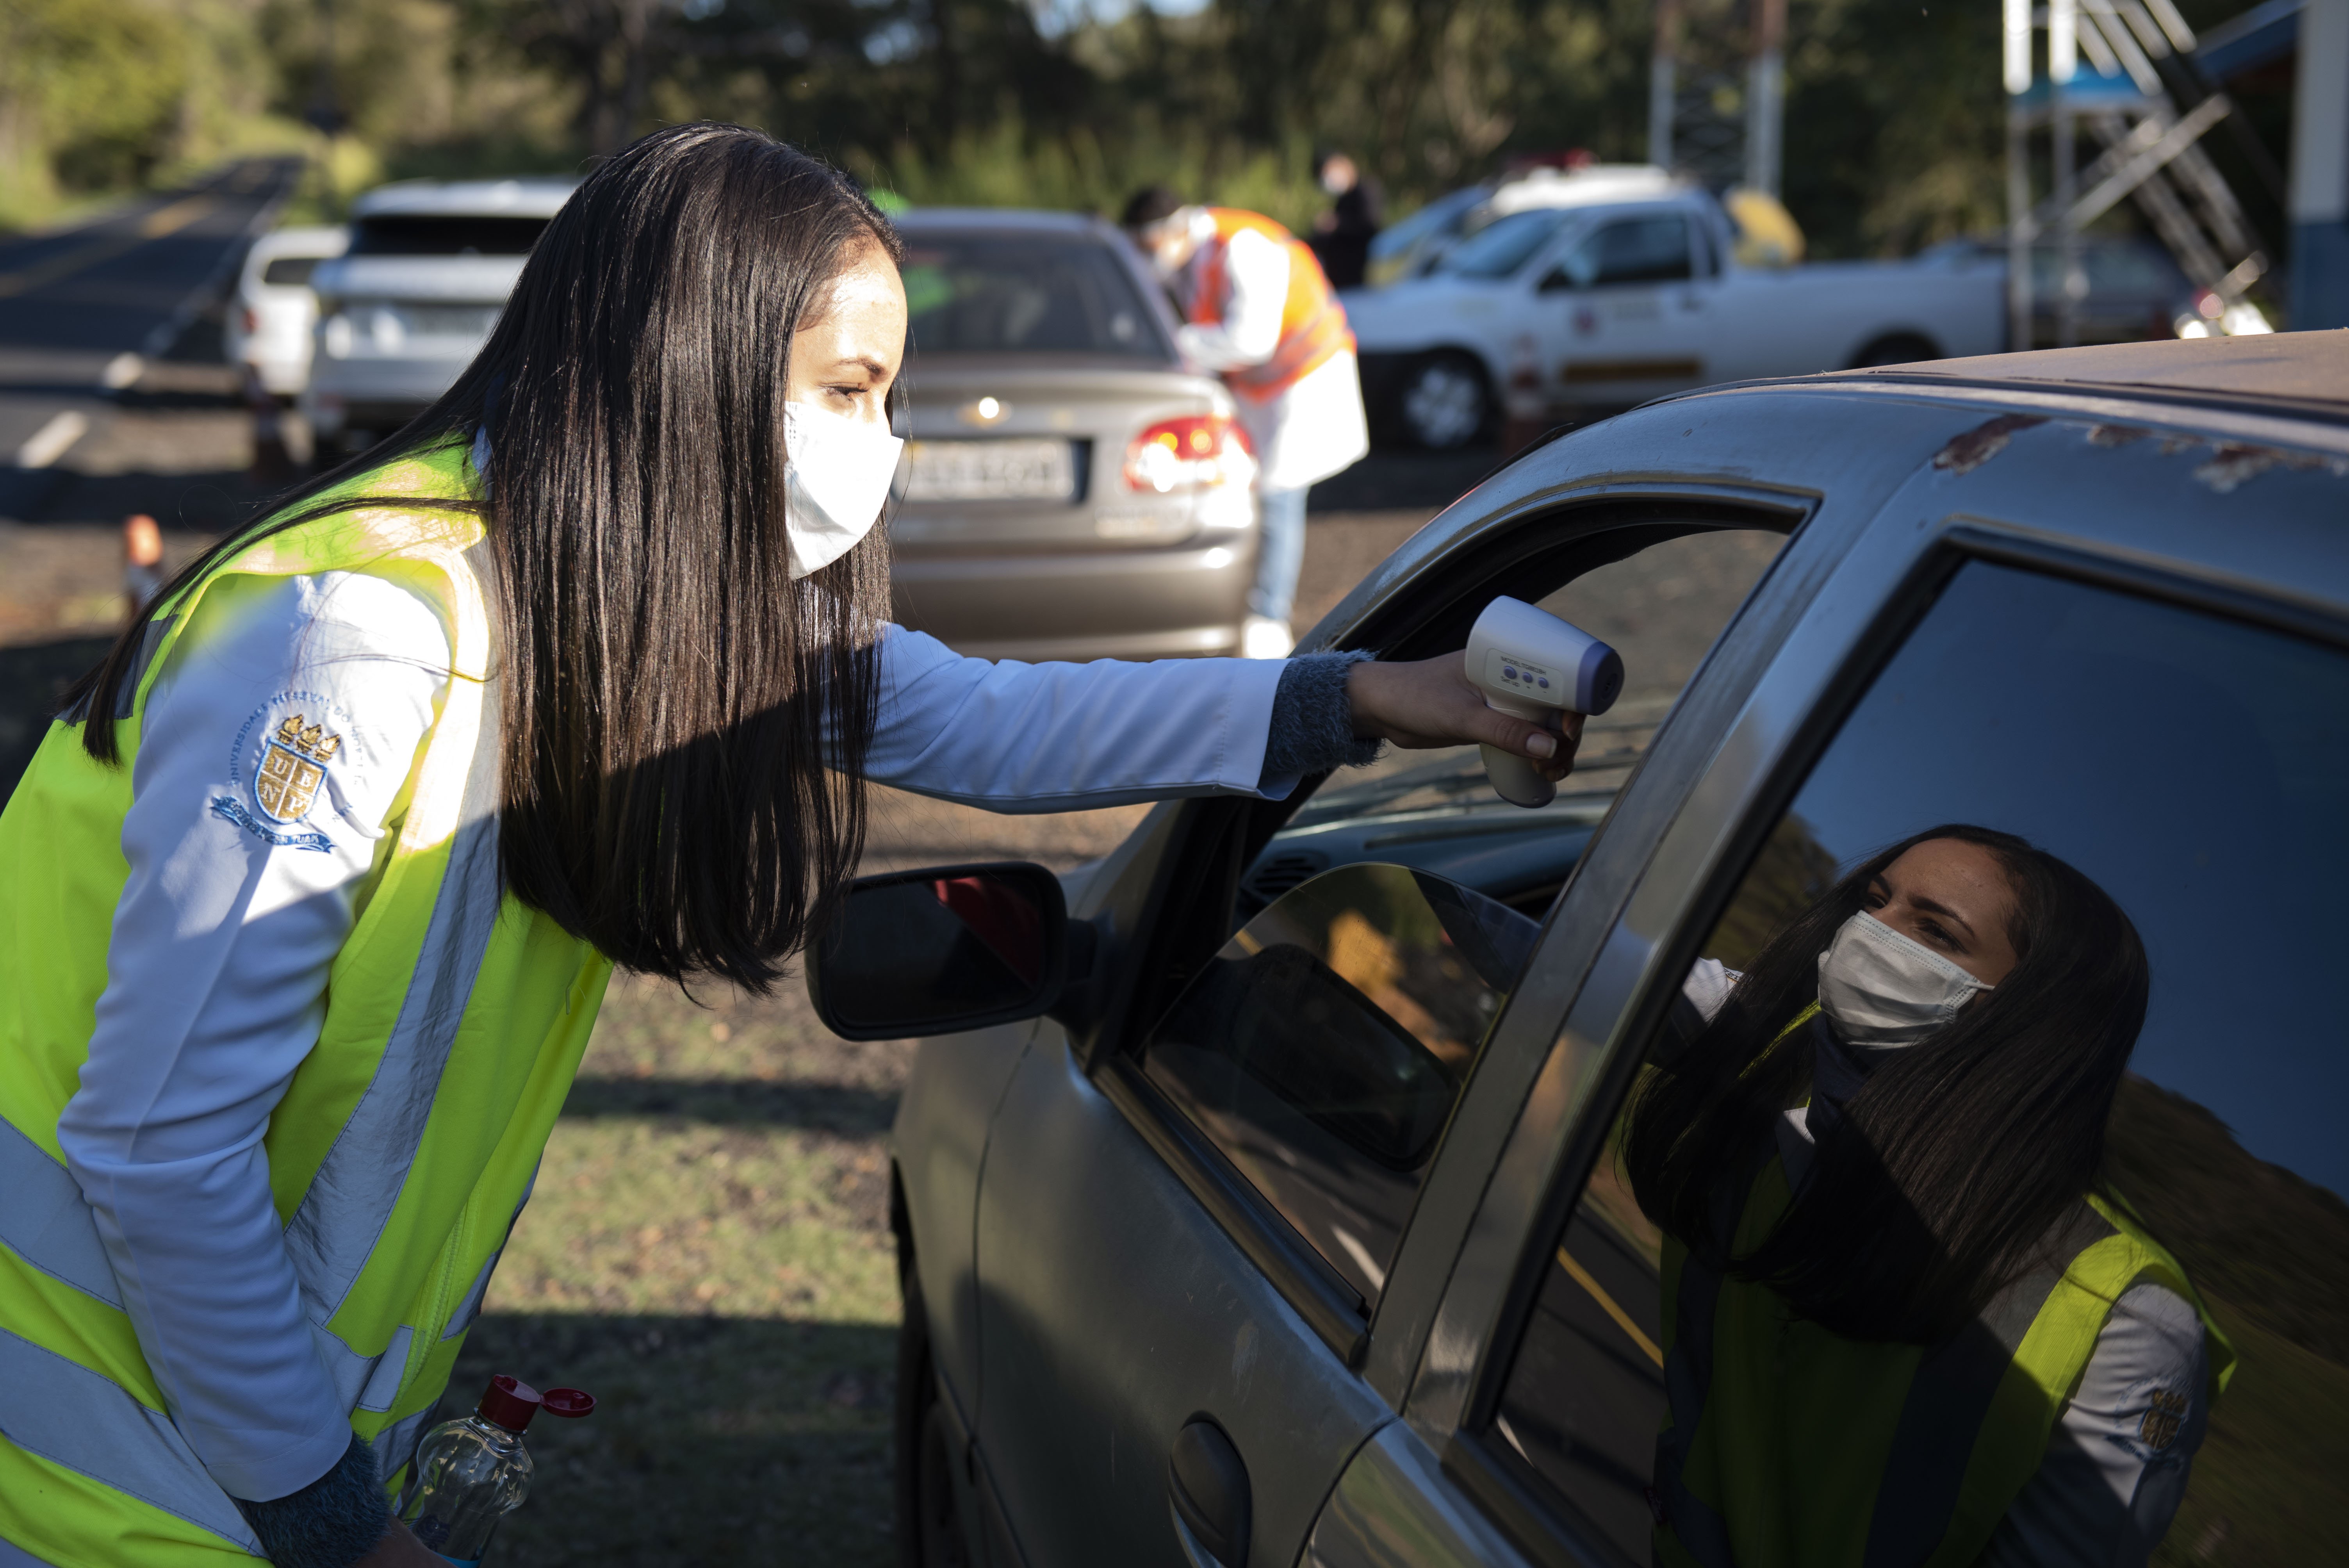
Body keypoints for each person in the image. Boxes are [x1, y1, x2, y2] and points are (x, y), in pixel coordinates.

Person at [0, 126, 1576, 1568]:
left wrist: (1366, 696)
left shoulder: (626, 603)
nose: (878, 442)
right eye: (843, 388)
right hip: (88, 1464)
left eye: (887, 393)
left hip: (228, 1444)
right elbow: (158, 1146)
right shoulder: (355, 636)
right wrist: (337, 1529)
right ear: (681, 364)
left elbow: (993, 725)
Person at [1627, 826, 2233, 1568]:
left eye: (1935, 931)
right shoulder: (1767, 1060)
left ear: (2030, 1016)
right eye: (1877, 900)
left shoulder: (2127, 1317)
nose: (1864, 933)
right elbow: (1559, 956)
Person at [1120, 185, 1370, 660]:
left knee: (1279, 495)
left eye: (1148, 250)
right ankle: (1251, 604)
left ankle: (1269, 620)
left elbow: (1251, 340)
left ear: (1174, 231)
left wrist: (1177, 346)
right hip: (1261, 389)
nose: (1149, 261)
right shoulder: (1191, 258)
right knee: (1249, 491)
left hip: (1304, 378)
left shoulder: (1242, 246)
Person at [1306, 150, 1383, 292]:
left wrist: (1337, 225)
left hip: (1354, 270)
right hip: (1336, 274)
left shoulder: (1366, 190)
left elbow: (1369, 226)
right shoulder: (1343, 198)